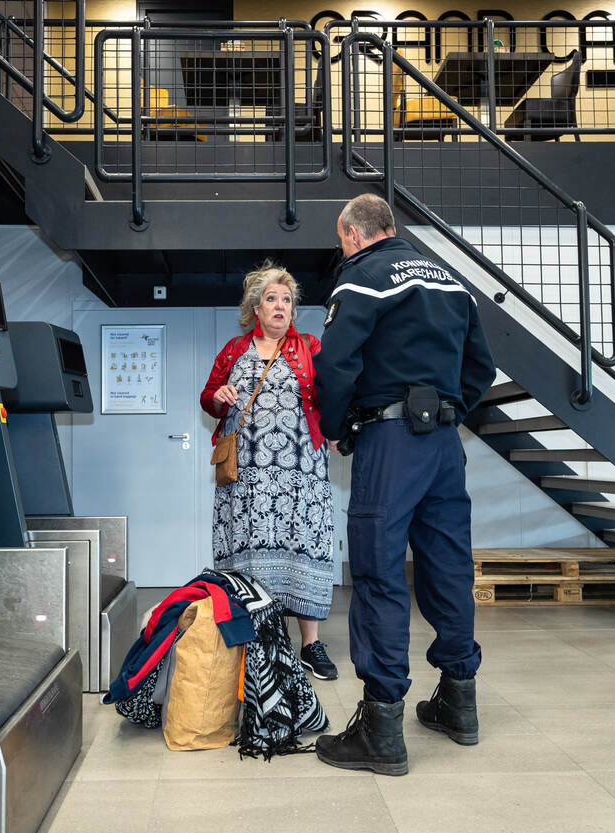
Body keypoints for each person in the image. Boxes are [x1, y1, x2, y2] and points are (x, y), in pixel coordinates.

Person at [311, 194, 495, 775]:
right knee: (447, 567)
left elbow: (335, 365)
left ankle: (382, 727)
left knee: (378, 573)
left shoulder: (360, 277)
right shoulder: (450, 280)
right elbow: (480, 367)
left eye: (342, 241)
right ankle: (459, 703)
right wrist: (448, 412)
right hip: (443, 444)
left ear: (353, 234)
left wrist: (338, 427)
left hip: (389, 442)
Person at [199, 262, 338, 681]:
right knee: (250, 552)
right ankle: (255, 640)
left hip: (301, 471)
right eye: (271, 299)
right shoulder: (233, 350)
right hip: (248, 476)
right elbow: (208, 397)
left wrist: (334, 429)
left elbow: (331, 393)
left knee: (303, 547)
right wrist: (219, 396)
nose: (280, 306)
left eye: (287, 300)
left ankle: (310, 645)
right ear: (255, 309)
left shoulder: (310, 347)